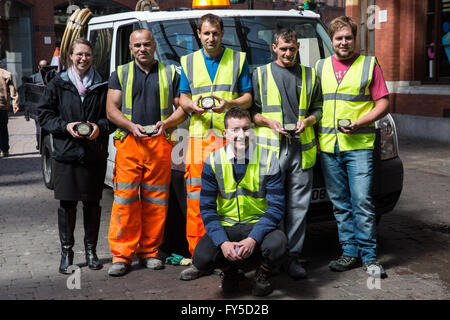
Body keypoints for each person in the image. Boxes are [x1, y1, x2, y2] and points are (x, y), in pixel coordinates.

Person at [106, 29, 187, 277]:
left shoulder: (170, 73)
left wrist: (168, 123)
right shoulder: (120, 73)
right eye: (137, 45)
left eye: (147, 44)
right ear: (131, 48)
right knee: (124, 202)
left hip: (159, 143)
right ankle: (121, 255)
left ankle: (150, 252)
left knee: (155, 202)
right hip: (131, 142)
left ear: (154, 46)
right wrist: (131, 127)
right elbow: (111, 110)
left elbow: (182, 108)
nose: (142, 49)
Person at [179, 13, 252, 281]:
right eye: (206, 33)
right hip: (198, 138)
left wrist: (229, 104)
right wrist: (190, 106)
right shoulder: (188, 61)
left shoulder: (238, 59)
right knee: (197, 199)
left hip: (230, 138)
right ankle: (200, 258)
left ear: (223, 34)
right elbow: (183, 97)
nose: (211, 38)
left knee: (230, 198)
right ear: (199, 34)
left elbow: (247, 98)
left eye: (216, 33)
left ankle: (229, 259)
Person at [315, 16, 390, 278]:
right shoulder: (320, 66)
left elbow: (383, 103)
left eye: (348, 37)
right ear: (332, 41)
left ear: (354, 39)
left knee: (362, 202)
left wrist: (359, 122)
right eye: (339, 38)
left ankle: (370, 258)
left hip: (358, 146)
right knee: (340, 204)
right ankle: (349, 253)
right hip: (328, 146)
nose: (344, 42)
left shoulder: (368, 65)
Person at [192, 107, 286, 296]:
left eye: (245, 128)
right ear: (226, 133)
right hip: (227, 224)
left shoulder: (268, 158)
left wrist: (253, 239)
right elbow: (207, 209)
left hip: (256, 224)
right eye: (235, 130)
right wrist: (223, 243)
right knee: (201, 258)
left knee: (278, 244)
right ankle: (230, 272)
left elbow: (276, 207)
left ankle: (262, 274)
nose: (241, 134)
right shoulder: (213, 161)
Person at [251, 28, 323, 279]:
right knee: (272, 205)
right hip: (271, 150)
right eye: (283, 48)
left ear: (298, 48)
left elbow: (318, 108)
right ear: (274, 48)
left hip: (301, 149)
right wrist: (269, 123)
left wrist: (310, 121)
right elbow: (252, 112)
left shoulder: (310, 75)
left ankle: (292, 257)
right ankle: (272, 257)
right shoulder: (259, 75)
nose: (288, 53)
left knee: (298, 207)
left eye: (292, 49)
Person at [37, 38, 111, 274]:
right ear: (70, 56)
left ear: (92, 57)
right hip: (66, 154)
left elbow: (112, 116)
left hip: (93, 155)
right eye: (79, 54)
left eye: (87, 55)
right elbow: (45, 115)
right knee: (67, 205)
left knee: (92, 205)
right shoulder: (58, 83)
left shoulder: (102, 84)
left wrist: (100, 126)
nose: (83, 59)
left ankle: (91, 252)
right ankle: (67, 253)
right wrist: (65, 126)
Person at [0, 67, 19, 157]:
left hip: (2, 106)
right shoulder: (6, 74)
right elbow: (13, 92)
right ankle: (5, 150)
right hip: (3, 105)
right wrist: (15, 104)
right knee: (3, 128)